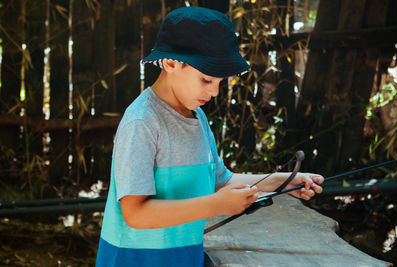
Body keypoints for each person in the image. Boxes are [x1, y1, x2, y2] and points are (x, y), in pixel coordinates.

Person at [95, 6, 324, 267]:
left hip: (183, 258)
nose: (214, 92)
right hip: (135, 260)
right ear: (171, 63)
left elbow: (220, 180)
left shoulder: (198, 116)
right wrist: (217, 205)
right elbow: (135, 214)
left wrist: (284, 182)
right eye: (206, 80)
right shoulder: (142, 122)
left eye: (220, 81)